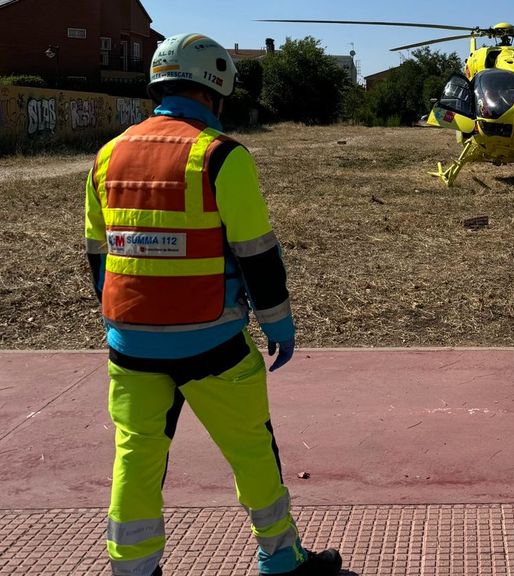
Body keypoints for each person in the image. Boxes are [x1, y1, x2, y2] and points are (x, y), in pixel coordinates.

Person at [84, 33, 343, 576]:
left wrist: (131, 322)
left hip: (131, 344)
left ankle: (132, 568)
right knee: (251, 450)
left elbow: (98, 256)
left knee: (136, 458)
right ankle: (280, 559)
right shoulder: (220, 156)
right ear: (216, 91)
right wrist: (279, 323)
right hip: (213, 344)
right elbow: (257, 254)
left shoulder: (106, 157)